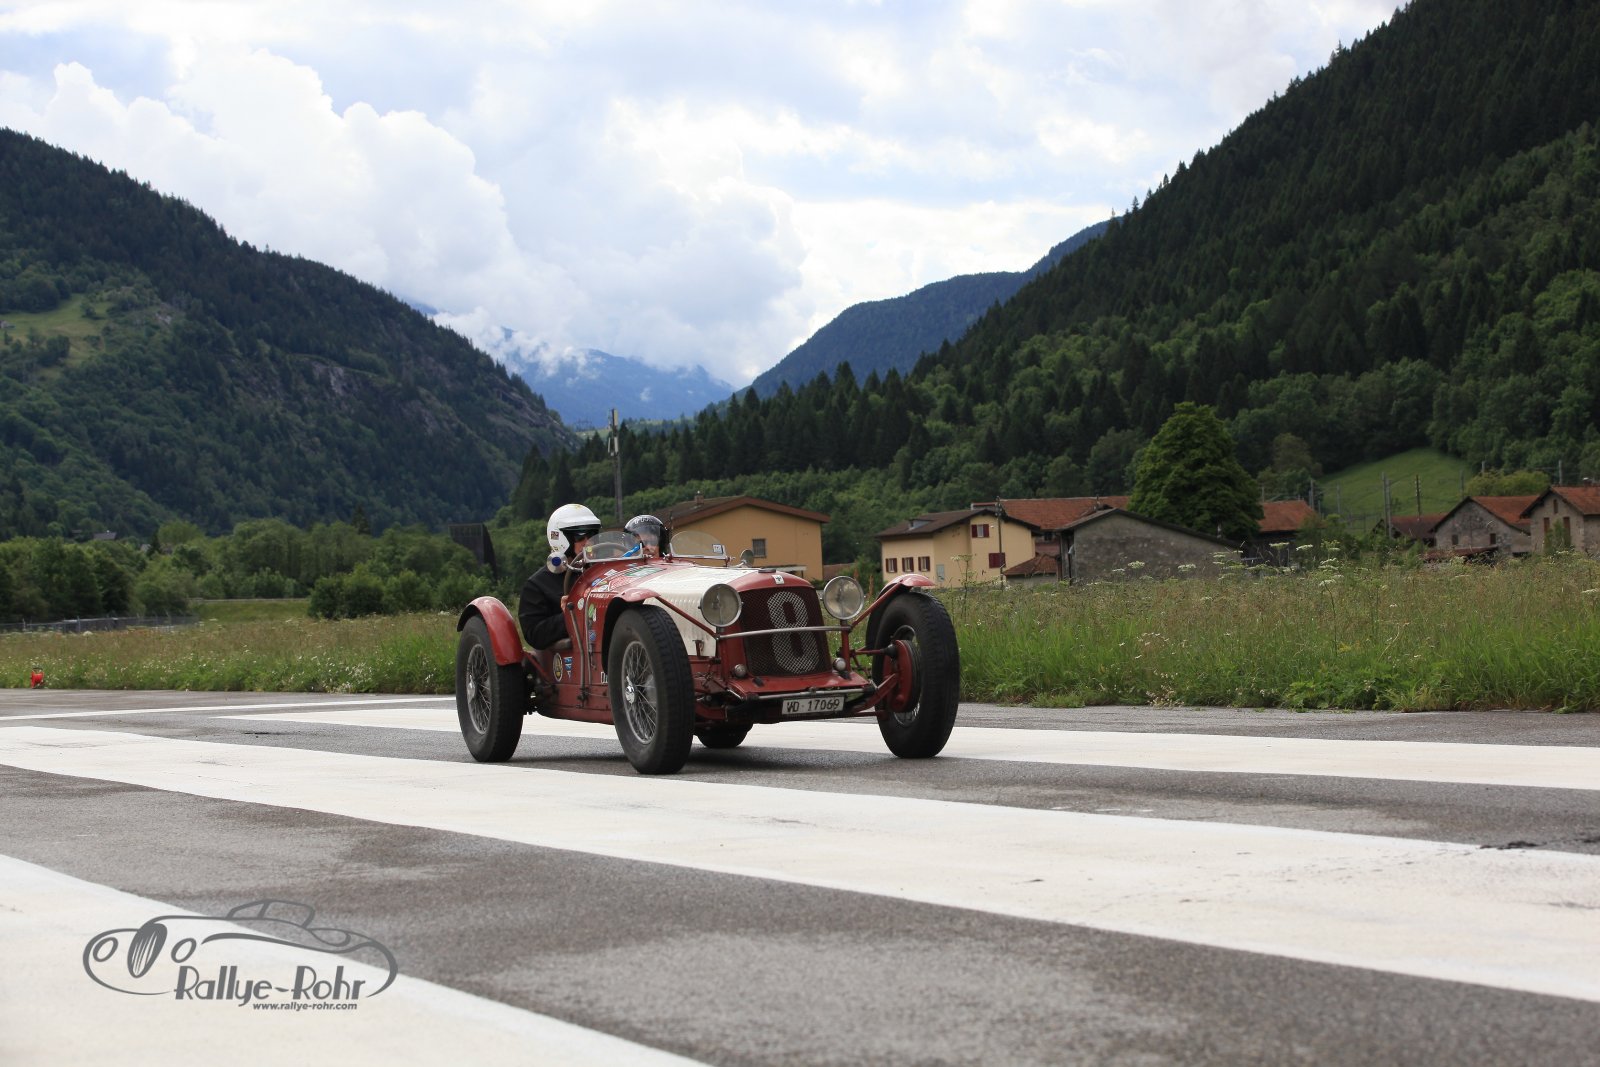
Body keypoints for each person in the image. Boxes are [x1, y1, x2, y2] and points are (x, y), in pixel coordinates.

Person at [518, 503, 601, 649]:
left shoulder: (602, 570)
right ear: (561, 540)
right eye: (580, 537)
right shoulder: (537, 585)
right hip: (573, 653)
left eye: (592, 535)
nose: (587, 542)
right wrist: (568, 615)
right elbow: (534, 634)